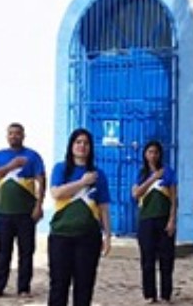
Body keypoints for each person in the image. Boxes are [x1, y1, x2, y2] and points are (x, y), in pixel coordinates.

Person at [48, 128, 112, 306]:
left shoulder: (99, 175)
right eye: (78, 142)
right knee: (59, 285)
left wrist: (107, 235)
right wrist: (82, 182)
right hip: (61, 235)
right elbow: (56, 193)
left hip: (88, 237)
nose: (82, 146)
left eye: (86, 143)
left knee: (84, 286)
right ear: (71, 146)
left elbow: (104, 207)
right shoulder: (61, 169)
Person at [0, 122, 46, 298]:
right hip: (4, 212)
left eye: (17, 133)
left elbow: (41, 180)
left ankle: (23, 287)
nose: (14, 136)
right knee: (3, 251)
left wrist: (39, 205)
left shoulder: (32, 156)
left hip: (26, 213)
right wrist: (10, 166)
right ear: (7, 136)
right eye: (11, 133)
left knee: (26, 252)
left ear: (23, 135)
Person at [131, 140, 177, 303]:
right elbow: (136, 194)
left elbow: (173, 198)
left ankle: (166, 294)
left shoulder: (168, 172)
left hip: (164, 219)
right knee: (147, 258)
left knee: (166, 259)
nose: (153, 155)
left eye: (156, 152)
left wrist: (172, 219)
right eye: (150, 152)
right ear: (145, 154)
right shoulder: (141, 173)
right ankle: (150, 294)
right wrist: (152, 178)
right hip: (146, 220)